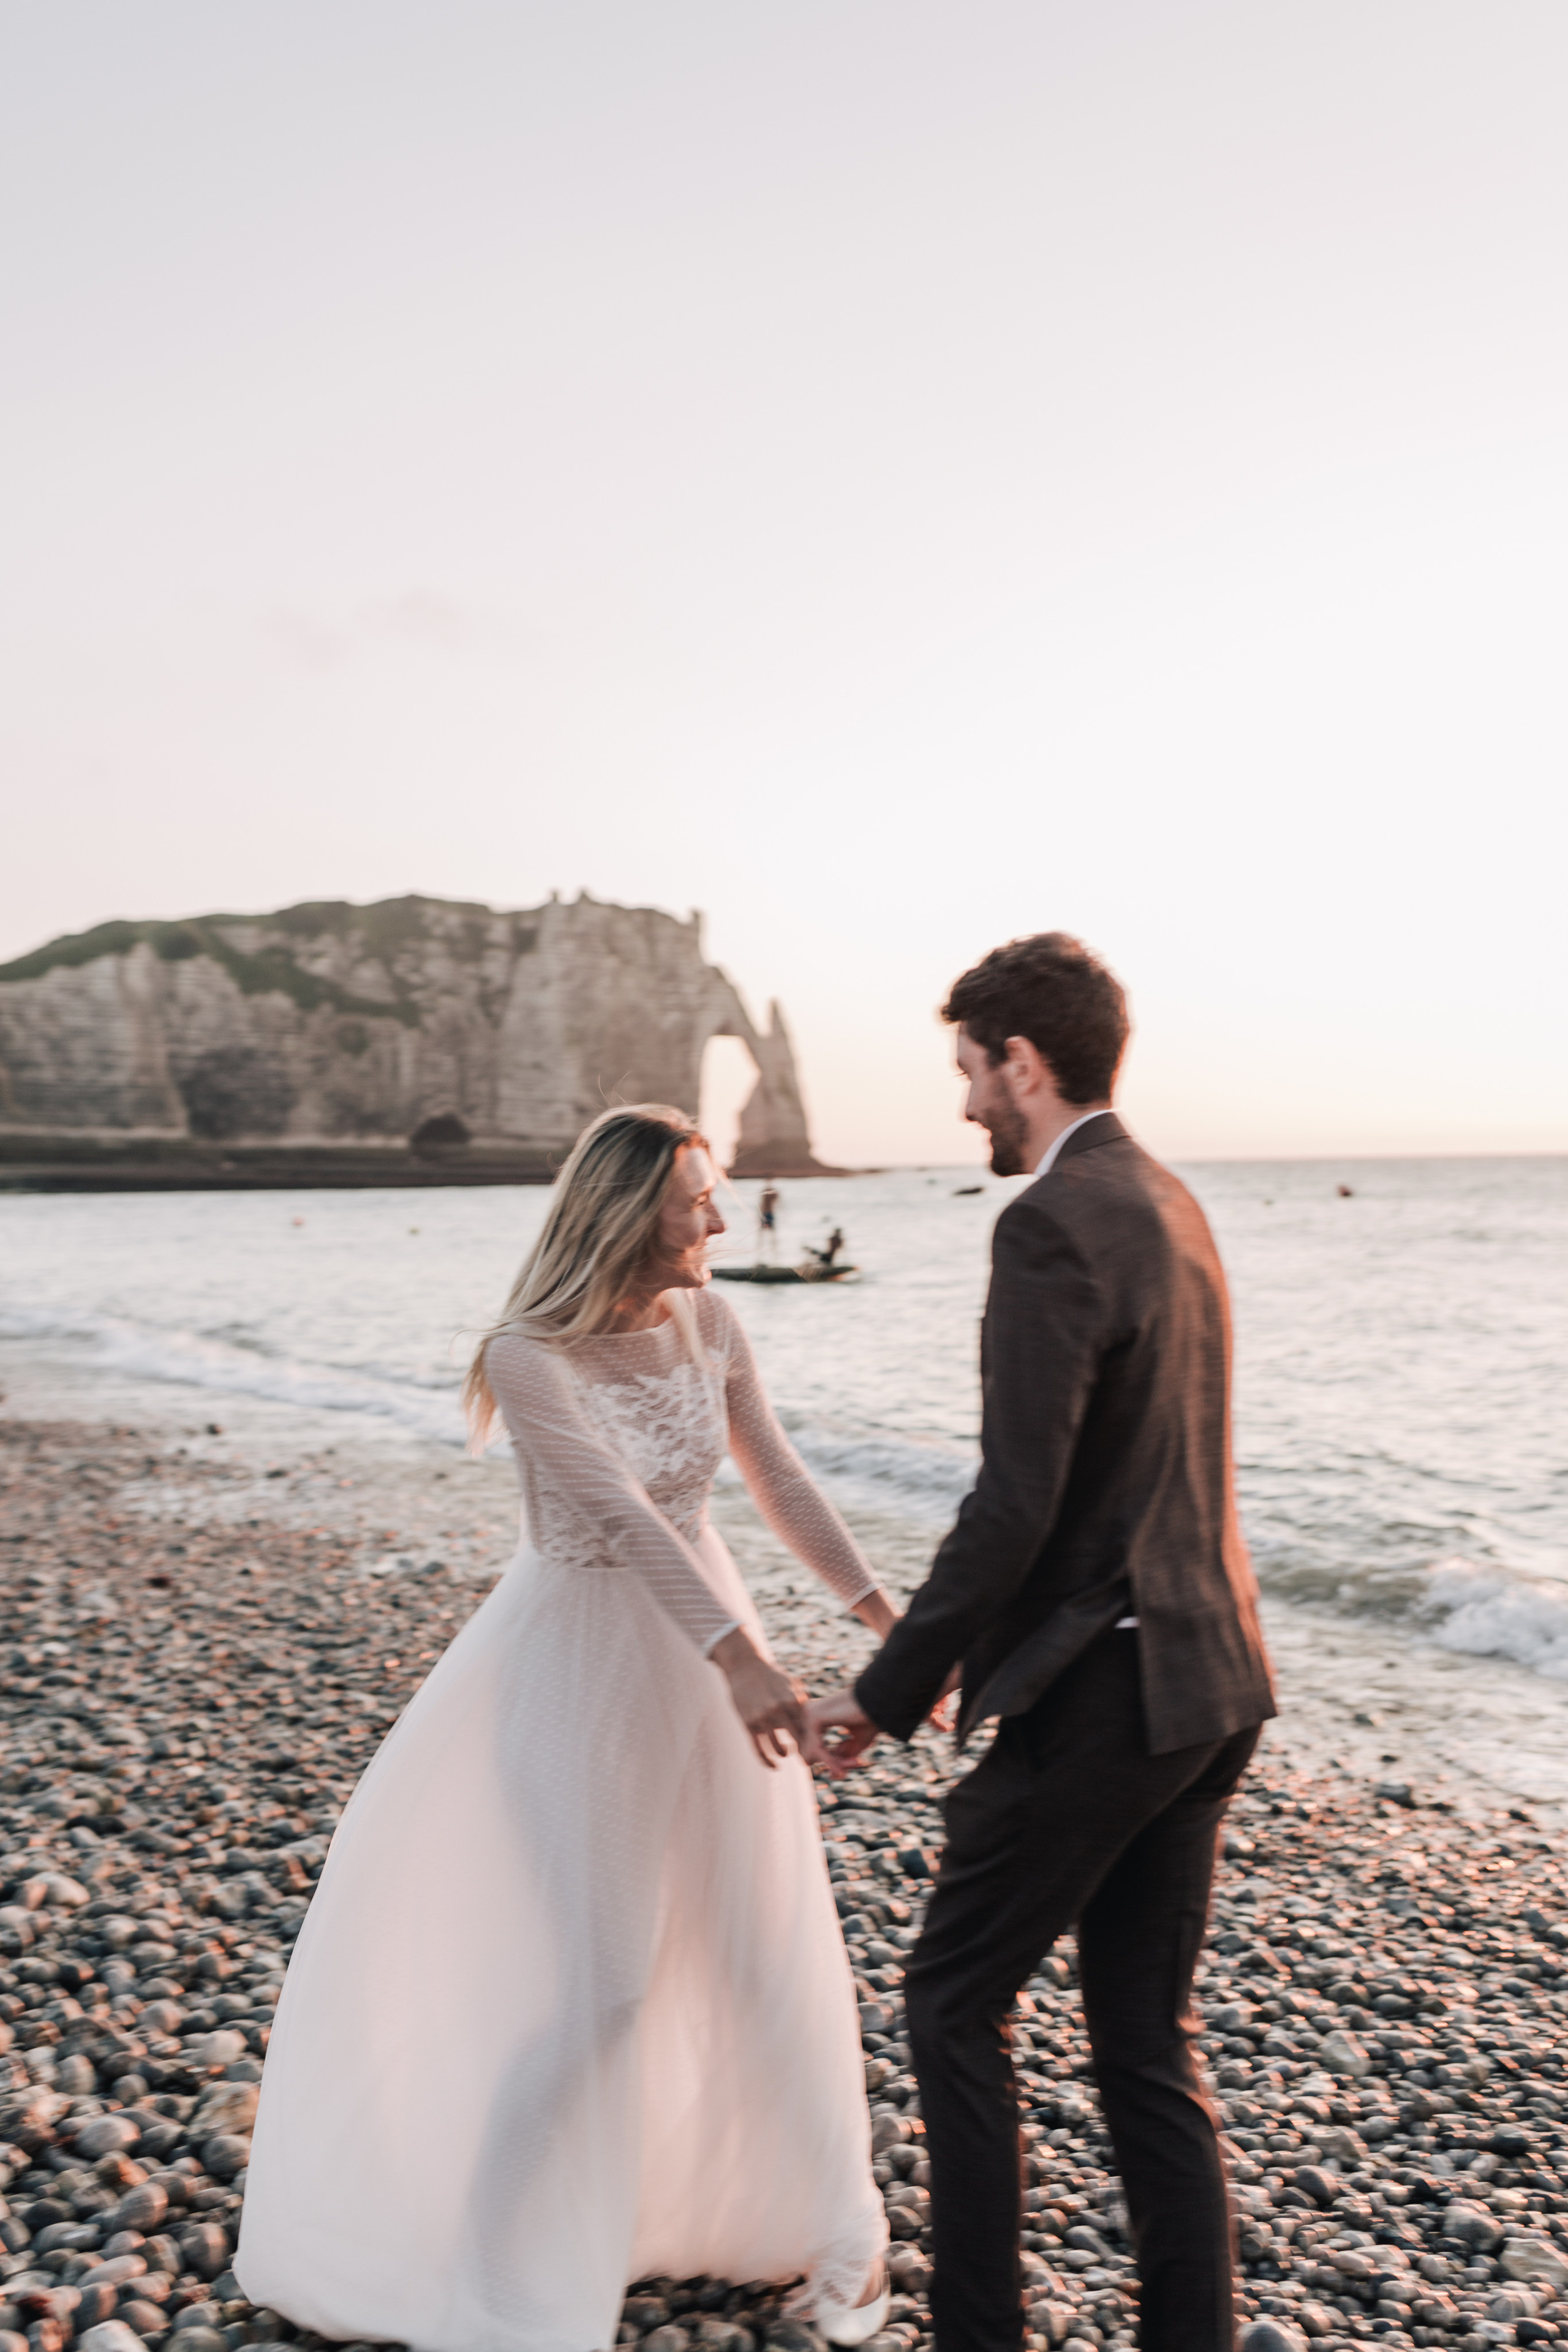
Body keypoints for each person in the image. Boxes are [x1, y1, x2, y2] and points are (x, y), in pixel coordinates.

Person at [237, 1106, 896, 2352]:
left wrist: (882, 1616)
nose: (718, 1217)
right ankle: (492, 2280)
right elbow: (621, 1518)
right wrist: (746, 1664)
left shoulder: (710, 1318)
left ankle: (834, 2235)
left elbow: (779, 1476)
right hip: (576, 1670)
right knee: (601, 1986)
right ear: (626, 1208)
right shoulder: (528, 1354)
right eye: (697, 1198)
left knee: (761, 1953)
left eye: (717, 1195)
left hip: (706, 1661)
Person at [804, 933, 1276, 2352]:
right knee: (1143, 2045)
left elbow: (1014, 1501)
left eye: (967, 1071)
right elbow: (1117, 1486)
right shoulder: (1172, 1202)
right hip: (1212, 1683)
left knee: (950, 1998)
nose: (961, 1107)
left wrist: (880, 1693)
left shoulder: (1051, 1220)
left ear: (1023, 1059)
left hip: (1106, 1695)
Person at [758, 1180, 780, 1257]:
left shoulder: (775, 1192)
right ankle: (760, 1252)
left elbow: (779, 1203)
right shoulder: (764, 1191)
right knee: (762, 1234)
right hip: (765, 1214)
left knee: (772, 1233)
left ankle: (774, 1251)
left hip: (770, 1214)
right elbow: (761, 1204)